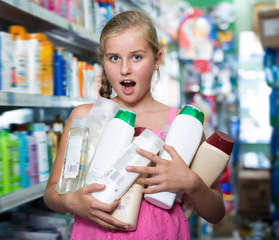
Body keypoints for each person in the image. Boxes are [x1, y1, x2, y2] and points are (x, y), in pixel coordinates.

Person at [43, 9, 225, 239]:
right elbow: (51, 194)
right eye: (114, 58)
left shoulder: (184, 124)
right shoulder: (85, 117)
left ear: (157, 59)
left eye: (136, 57)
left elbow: (216, 213)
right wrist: (70, 201)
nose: (125, 69)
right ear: (103, 62)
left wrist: (192, 184)